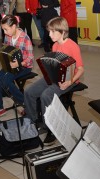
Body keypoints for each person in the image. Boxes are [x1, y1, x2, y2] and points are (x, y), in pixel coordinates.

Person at [23, 16, 84, 145]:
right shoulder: (55, 45)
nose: (49, 34)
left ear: (62, 31)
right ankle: (33, 121)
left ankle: (51, 128)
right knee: (29, 92)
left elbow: (80, 69)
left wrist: (70, 82)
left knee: (46, 95)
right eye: (49, 31)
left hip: (69, 80)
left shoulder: (73, 46)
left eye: (52, 31)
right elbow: (55, 64)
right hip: (56, 77)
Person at [0, 14, 34, 119]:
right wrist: (2, 53)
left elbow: (30, 58)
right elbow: (6, 49)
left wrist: (18, 64)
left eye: (6, 29)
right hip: (11, 65)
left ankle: (25, 104)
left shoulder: (25, 38)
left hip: (24, 66)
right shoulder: (7, 36)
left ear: (14, 26)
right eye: (3, 29)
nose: (4, 32)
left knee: (5, 81)